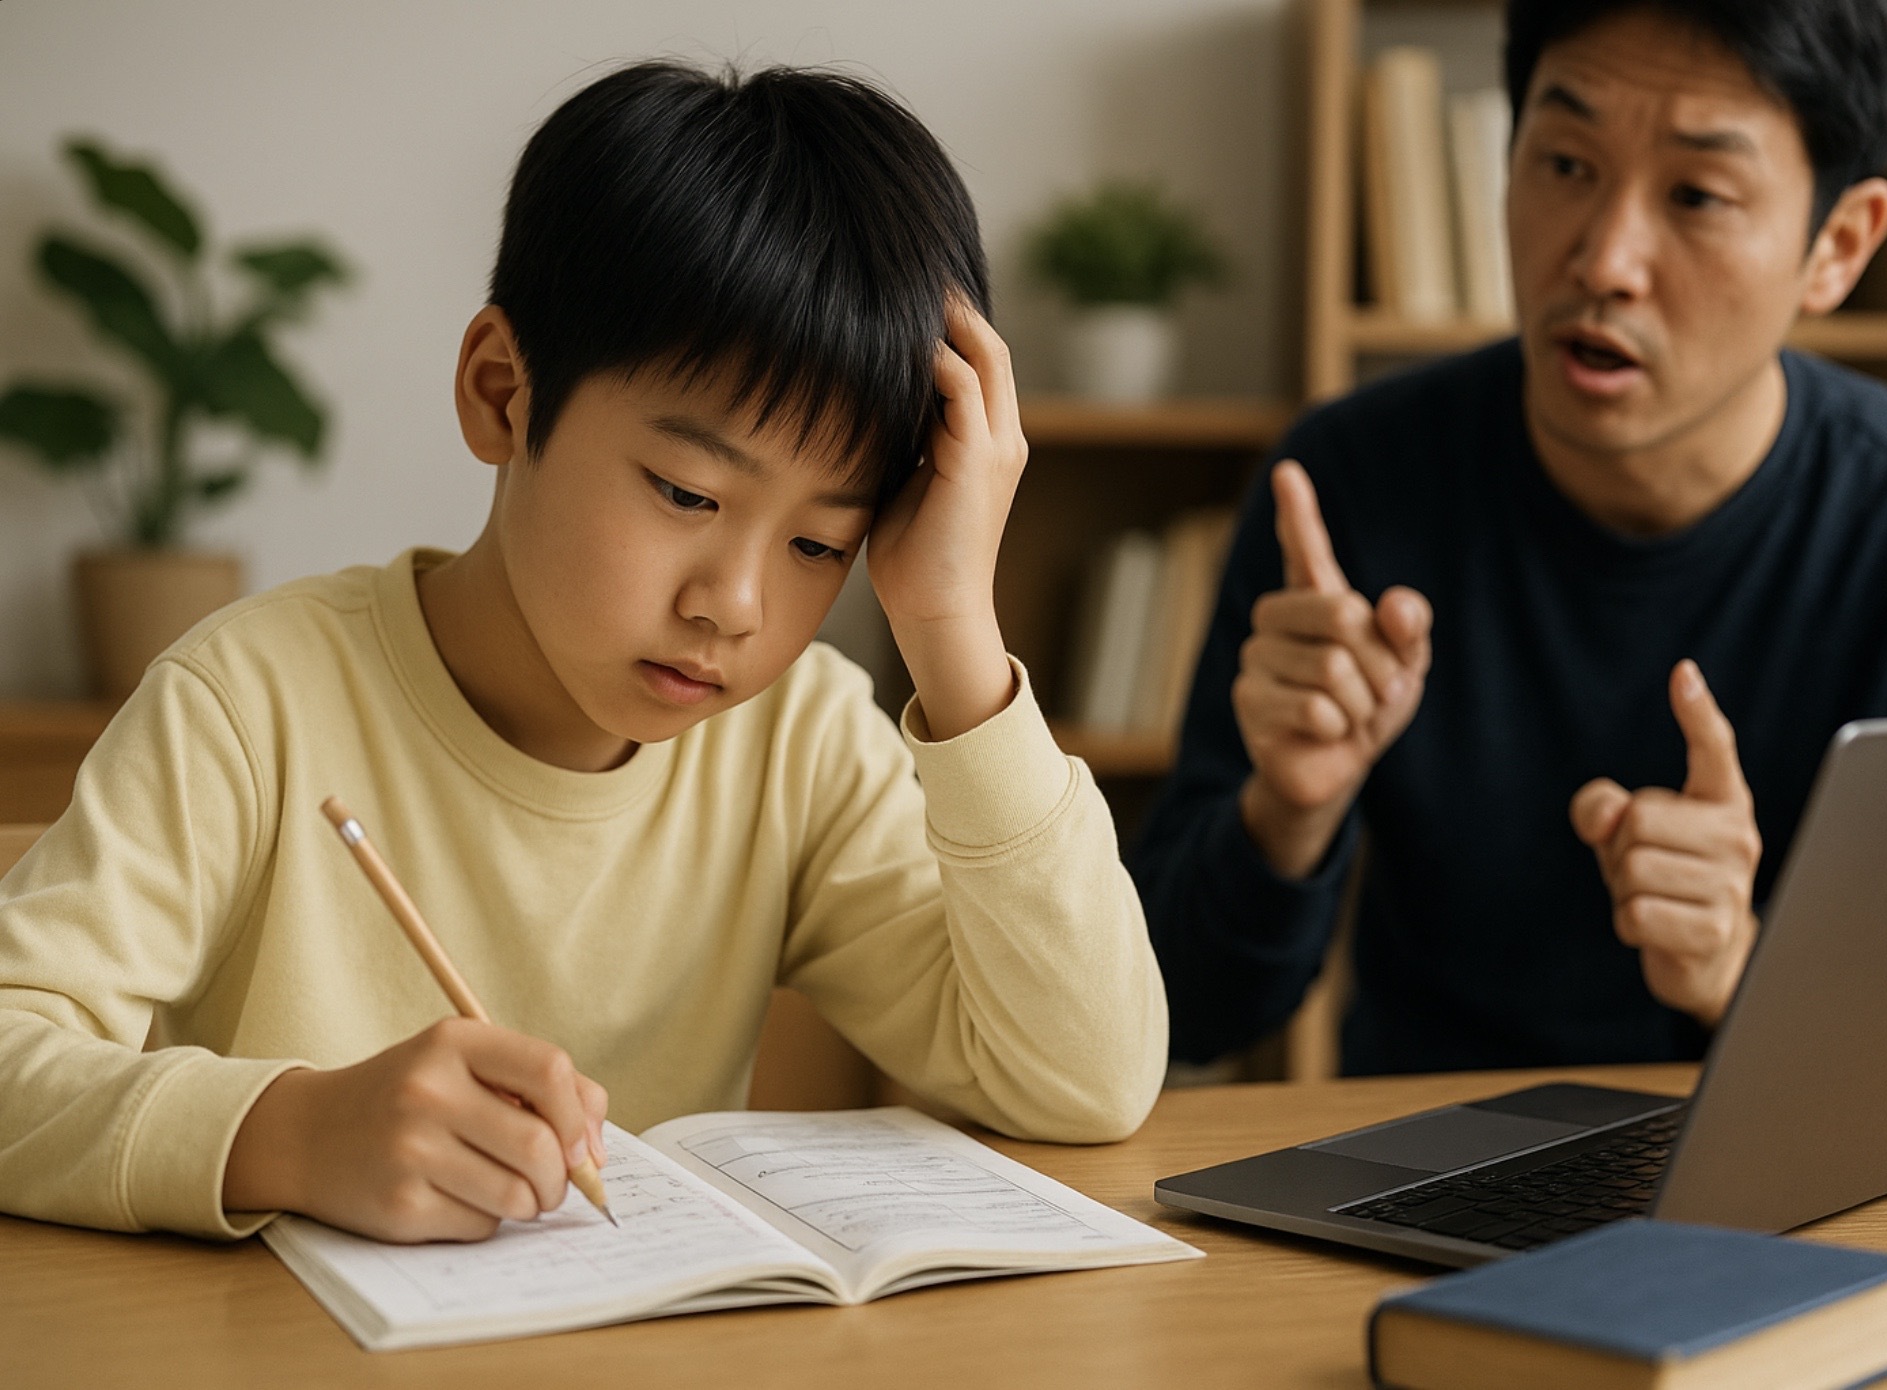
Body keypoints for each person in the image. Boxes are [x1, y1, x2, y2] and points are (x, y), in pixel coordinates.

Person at [0, 62, 1166, 1244]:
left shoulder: (797, 740)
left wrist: (954, 630)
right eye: (683, 490)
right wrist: (289, 1133)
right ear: (502, 393)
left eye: (822, 541)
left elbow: (1084, 1082)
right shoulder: (252, 702)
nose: (735, 604)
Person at [1134, 0, 1887, 1078]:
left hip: (1804, 1219)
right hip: (1413, 1181)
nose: (1602, 258)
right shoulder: (1348, 488)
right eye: (1565, 163)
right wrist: (1284, 814)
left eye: (1694, 195)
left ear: (1837, 246)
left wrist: (1745, 972)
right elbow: (1176, 1010)